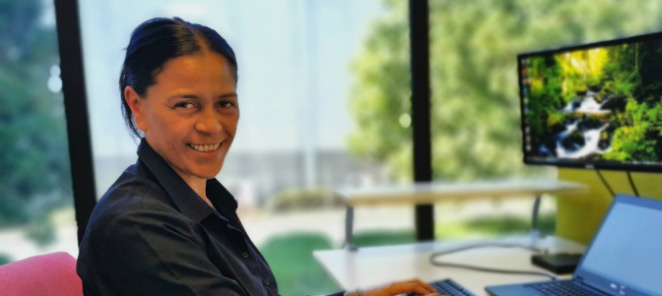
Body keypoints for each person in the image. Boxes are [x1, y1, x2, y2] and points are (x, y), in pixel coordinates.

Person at [76, 17, 440, 296]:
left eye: (225, 104)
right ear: (137, 106)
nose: (212, 125)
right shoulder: (139, 226)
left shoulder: (200, 199)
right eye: (186, 105)